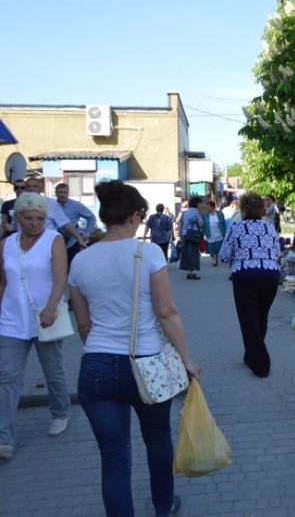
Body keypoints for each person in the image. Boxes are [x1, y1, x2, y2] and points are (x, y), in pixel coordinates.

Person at [69, 180, 199, 516]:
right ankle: (163, 506)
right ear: (133, 216)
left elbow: (83, 325)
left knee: (113, 459)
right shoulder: (148, 253)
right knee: (157, 441)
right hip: (146, 364)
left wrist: (102, 351)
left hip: (95, 367)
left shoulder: (81, 261)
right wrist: (186, 358)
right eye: (140, 217)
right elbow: (166, 311)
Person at [0, 192, 71, 461]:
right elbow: (3, 283)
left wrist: (51, 308)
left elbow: (60, 278)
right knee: (7, 376)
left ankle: (60, 413)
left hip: (46, 318)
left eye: (40, 218)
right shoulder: (6, 244)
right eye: (28, 218)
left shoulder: (53, 240)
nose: (34, 223)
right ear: (17, 218)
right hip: (11, 319)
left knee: (53, 370)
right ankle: (4, 437)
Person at [219, 192, 281, 378]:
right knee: (261, 317)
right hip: (270, 276)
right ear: (262, 210)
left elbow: (223, 256)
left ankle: (261, 364)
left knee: (248, 320)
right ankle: (251, 355)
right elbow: (277, 252)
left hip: (245, 276)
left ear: (243, 210)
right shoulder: (270, 228)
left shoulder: (236, 227)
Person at [24, 176, 89, 250]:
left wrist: (80, 239)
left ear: (40, 188)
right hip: (27, 247)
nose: (31, 189)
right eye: (28, 186)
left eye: (35, 186)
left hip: (47, 246)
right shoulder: (20, 204)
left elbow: (66, 224)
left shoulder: (51, 203)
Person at [54, 182, 97, 267]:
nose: (62, 195)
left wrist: (86, 234)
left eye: (65, 192)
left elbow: (92, 217)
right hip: (57, 240)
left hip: (73, 240)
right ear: (56, 193)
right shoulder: (52, 205)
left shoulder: (76, 205)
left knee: (74, 265)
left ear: (68, 193)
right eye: (60, 192)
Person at [178, 196, 204, 280]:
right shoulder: (195, 211)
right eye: (200, 203)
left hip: (186, 234)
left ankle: (190, 271)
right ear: (197, 204)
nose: (201, 205)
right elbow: (191, 219)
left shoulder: (187, 211)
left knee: (188, 253)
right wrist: (198, 222)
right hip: (193, 234)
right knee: (193, 253)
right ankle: (191, 272)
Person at [201, 200, 227, 267]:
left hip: (219, 233)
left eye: (208, 206)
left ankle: (216, 256)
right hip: (210, 233)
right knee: (211, 247)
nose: (207, 208)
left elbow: (223, 223)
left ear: (212, 206)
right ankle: (214, 259)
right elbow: (203, 225)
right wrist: (203, 233)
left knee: (218, 247)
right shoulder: (205, 215)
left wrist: (225, 232)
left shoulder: (219, 214)